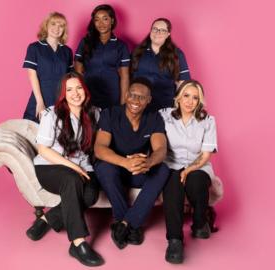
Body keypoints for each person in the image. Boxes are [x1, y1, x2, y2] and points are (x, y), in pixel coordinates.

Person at [25, 72, 104, 267]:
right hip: (50, 167)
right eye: (69, 89)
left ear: (85, 90)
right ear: (63, 93)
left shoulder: (95, 113)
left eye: (78, 88)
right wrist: (72, 167)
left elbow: (104, 142)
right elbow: (43, 150)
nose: (75, 93)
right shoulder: (51, 114)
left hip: (83, 167)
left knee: (90, 196)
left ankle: (47, 218)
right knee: (72, 180)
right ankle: (78, 243)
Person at [94, 77, 170, 249]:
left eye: (142, 97)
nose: (136, 101)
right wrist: (124, 162)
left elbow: (161, 150)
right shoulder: (110, 114)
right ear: (126, 95)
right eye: (133, 95)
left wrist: (148, 162)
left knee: (163, 169)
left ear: (149, 100)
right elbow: (99, 148)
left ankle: (126, 224)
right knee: (105, 167)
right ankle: (130, 224)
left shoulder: (154, 118)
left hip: (138, 169)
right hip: (115, 169)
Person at [159, 80, 218, 264]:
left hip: (198, 165)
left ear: (200, 101)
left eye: (195, 98)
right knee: (173, 187)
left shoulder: (207, 121)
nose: (190, 101)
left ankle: (200, 222)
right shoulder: (164, 116)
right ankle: (175, 240)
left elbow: (206, 154)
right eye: (186, 95)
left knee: (196, 181)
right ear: (178, 97)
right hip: (172, 164)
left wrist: (190, 169)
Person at [74, 4, 130, 109]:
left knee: (109, 124)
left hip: (112, 95)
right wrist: (80, 96)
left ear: (112, 20)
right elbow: (78, 71)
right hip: (89, 94)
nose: (101, 23)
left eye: (105, 19)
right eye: (97, 20)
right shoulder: (85, 42)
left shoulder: (121, 46)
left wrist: (123, 105)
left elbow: (125, 77)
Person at [131, 18, 191, 112]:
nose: (158, 33)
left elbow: (183, 83)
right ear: (151, 31)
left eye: (162, 30)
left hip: (164, 106)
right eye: (155, 29)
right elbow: (128, 77)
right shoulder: (138, 51)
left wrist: (178, 106)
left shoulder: (177, 54)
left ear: (168, 34)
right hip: (138, 105)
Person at [22, 12, 73, 122]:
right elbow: (32, 75)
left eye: (61, 25)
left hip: (61, 100)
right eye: (53, 24)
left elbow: (70, 79)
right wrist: (40, 102)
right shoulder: (34, 48)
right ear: (46, 26)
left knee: (58, 134)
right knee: (33, 132)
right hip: (41, 97)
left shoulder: (67, 51)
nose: (57, 28)